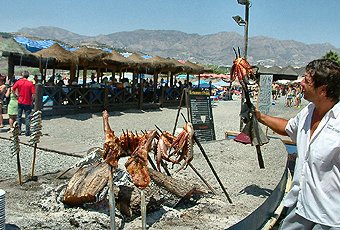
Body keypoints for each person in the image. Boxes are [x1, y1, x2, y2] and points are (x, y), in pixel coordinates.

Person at [255, 59, 340, 229]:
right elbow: (288, 127)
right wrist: (260, 116)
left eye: (307, 81)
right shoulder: (308, 112)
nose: (301, 83)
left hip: (330, 216)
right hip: (301, 205)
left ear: (323, 91)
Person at [12, 71, 36, 136]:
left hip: (20, 101)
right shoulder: (30, 84)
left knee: (19, 116)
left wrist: (16, 95)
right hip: (28, 102)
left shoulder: (18, 82)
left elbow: (13, 89)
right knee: (27, 117)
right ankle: (27, 131)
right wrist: (32, 100)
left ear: (22, 76)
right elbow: (33, 94)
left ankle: (19, 130)